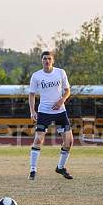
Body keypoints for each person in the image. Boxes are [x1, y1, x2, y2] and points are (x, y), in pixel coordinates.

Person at [28, 51, 74, 180]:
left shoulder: (60, 72)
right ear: (41, 61)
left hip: (60, 112)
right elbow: (31, 94)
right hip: (44, 112)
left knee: (69, 141)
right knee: (38, 140)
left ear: (53, 60)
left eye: (49, 58)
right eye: (44, 59)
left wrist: (61, 100)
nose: (47, 61)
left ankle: (60, 167)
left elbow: (67, 90)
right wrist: (32, 111)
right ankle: (32, 170)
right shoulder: (36, 76)